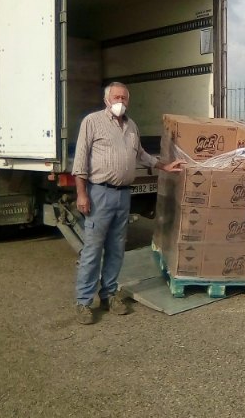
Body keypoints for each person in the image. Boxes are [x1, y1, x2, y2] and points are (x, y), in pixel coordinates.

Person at [72, 82, 184, 324]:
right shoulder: (92, 122)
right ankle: (83, 301)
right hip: (99, 193)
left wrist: (164, 165)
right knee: (93, 250)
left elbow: (140, 154)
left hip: (123, 195)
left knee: (116, 249)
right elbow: (80, 161)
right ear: (106, 100)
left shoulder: (131, 126)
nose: (120, 101)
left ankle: (109, 294)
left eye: (124, 97)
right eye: (116, 97)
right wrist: (82, 194)